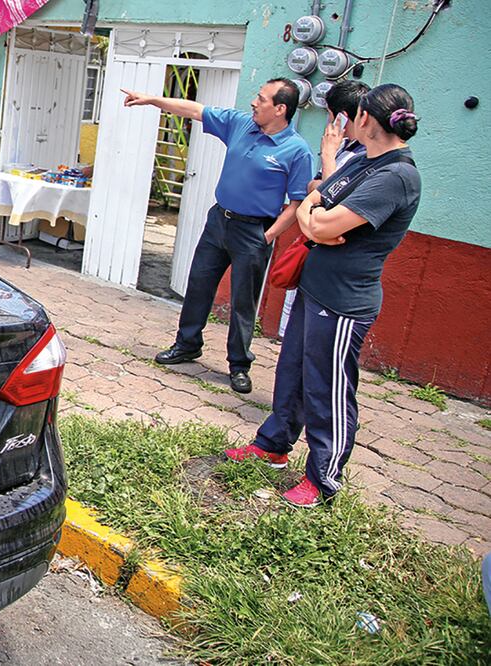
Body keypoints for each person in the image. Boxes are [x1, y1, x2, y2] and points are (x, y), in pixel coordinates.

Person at [226, 84, 422, 507]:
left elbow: (321, 223)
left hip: (344, 300)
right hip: (316, 287)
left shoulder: (396, 175)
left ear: (364, 119)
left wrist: (316, 219)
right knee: (293, 373)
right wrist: (315, 217)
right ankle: (273, 444)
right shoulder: (364, 164)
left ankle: (323, 479)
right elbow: (313, 204)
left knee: (327, 388)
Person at [122, 79, 313, 393]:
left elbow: (296, 203)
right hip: (219, 221)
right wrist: (151, 99)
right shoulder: (241, 125)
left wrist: (269, 236)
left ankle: (239, 364)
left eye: (262, 99)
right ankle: (187, 344)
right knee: (198, 284)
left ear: (280, 109)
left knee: (242, 300)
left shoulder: (296, 150)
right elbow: (196, 110)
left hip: (255, 230)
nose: (254, 102)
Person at [280, 79, 371, 337]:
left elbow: (330, 198)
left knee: (313, 332)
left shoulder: (362, 157)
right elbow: (314, 186)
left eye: (329, 115)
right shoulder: (345, 147)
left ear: (340, 117)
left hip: (335, 254)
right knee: (293, 317)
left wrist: (328, 156)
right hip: (311, 242)